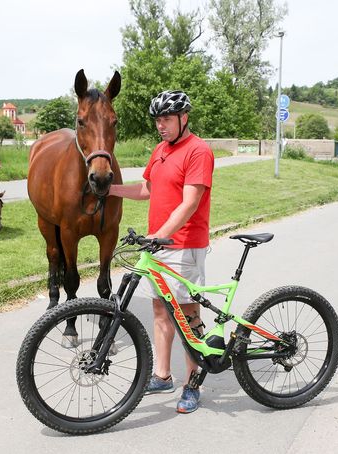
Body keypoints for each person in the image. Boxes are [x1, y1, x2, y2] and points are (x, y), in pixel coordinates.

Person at [109, 90, 214, 414]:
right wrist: (109, 189)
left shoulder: (198, 151)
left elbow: (190, 202)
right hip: (159, 245)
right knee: (159, 311)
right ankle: (162, 375)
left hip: (182, 245)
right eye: (157, 120)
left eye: (166, 119)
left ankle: (192, 383)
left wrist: (161, 235)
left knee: (187, 315)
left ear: (184, 119)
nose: (161, 125)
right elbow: (147, 189)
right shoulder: (160, 151)